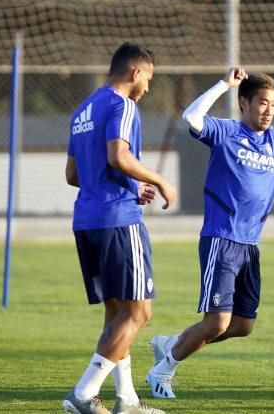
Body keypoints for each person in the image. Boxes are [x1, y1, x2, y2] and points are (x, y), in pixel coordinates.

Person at [145, 67, 274, 400]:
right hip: (221, 239)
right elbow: (191, 117)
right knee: (217, 323)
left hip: (250, 245)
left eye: (273, 103)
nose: (268, 110)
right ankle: (162, 369)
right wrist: (223, 84)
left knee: (242, 326)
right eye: (262, 103)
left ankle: (173, 341)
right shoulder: (225, 132)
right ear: (244, 103)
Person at [63, 42, 177, 414]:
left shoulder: (83, 109)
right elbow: (119, 156)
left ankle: (126, 400)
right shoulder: (122, 105)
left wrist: (132, 184)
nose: (147, 88)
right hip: (118, 221)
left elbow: (74, 174)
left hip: (87, 221)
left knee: (117, 315)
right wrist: (159, 180)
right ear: (135, 72)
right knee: (139, 313)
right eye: (149, 79)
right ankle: (83, 394)